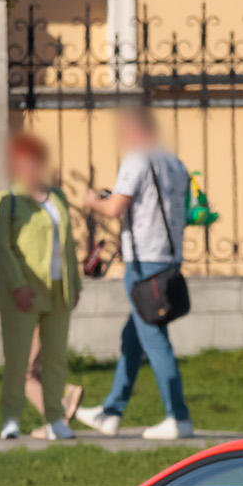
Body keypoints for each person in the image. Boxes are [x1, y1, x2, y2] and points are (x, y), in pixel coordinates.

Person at [77, 107, 192, 439]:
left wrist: (92, 201)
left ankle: (178, 417)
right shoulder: (174, 162)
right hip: (169, 258)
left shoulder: (137, 159)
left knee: (154, 340)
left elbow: (115, 208)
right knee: (133, 338)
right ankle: (111, 411)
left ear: (134, 131)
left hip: (144, 262)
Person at [0, 133, 83, 441]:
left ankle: (56, 418)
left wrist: (76, 283)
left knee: (55, 358)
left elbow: (68, 244)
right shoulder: (9, 200)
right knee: (18, 359)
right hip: (23, 292)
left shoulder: (57, 197)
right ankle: (11, 417)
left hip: (58, 289)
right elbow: (3, 247)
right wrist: (18, 284)